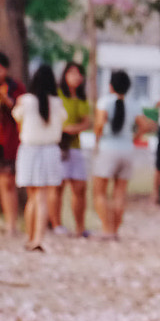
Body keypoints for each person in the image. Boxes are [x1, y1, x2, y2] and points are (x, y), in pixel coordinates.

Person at [13, 64, 64, 250]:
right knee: (41, 197)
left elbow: (17, 119)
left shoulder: (25, 101)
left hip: (29, 150)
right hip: (50, 151)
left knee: (33, 197)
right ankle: (38, 238)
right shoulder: (57, 102)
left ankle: (31, 237)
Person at [93, 69, 136, 238]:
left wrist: (98, 139)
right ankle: (116, 230)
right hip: (127, 149)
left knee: (100, 192)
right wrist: (135, 136)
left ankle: (106, 228)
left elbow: (99, 124)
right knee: (119, 193)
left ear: (110, 86)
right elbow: (145, 125)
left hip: (108, 148)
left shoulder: (104, 102)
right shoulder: (133, 103)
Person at [58, 61, 92, 237]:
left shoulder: (81, 98)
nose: (75, 77)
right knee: (58, 187)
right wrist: (64, 128)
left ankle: (80, 226)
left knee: (79, 187)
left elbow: (87, 121)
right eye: (71, 73)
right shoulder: (57, 95)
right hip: (59, 145)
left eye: (78, 73)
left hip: (75, 146)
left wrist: (74, 129)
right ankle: (56, 224)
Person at [0, 51, 26, 237]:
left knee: (7, 183)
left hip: (8, 141)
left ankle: (11, 225)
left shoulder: (16, 87)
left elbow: (20, 111)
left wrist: (6, 99)